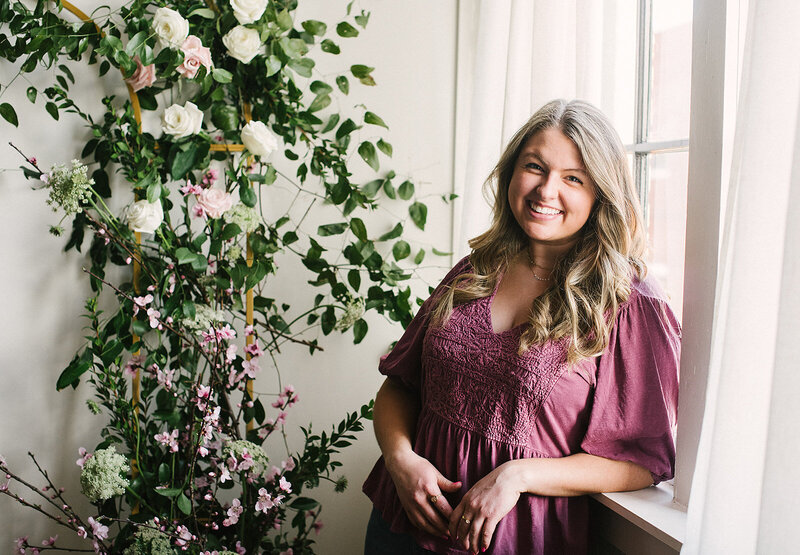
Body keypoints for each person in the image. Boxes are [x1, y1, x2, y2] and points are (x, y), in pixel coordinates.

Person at [362, 99, 680, 554]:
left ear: (600, 194)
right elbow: (401, 387)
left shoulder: (628, 301)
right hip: (402, 523)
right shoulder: (474, 271)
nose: (546, 191)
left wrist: (519, 474)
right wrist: (400, 459)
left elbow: (643, 461)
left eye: (573, 178)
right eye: (535, 167)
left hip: (514, 540)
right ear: (512, 172)